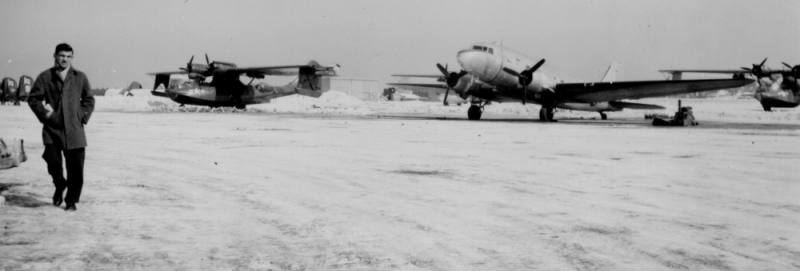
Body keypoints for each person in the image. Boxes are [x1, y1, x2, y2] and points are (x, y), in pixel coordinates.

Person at [28, 43, 95, 212]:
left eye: (68, 56)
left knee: (76, 168)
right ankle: (59, 184)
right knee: (53, 162)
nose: (64, 59)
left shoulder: (80, 77)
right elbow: (34, 98)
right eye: (61, 55)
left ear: (72, 57)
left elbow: (89, 100)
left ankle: (71, 200)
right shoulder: (45, 76)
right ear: (55, 56)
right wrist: (46, 115)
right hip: (52, 128)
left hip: (74, 129)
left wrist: (82, 116)